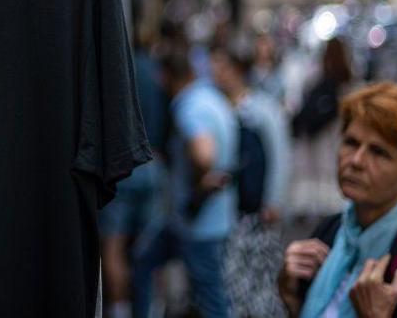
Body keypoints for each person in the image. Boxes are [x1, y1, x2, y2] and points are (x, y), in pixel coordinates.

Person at [278, 83, 397, 318]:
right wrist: (293, 300)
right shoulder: (335, 232)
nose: (356, 161)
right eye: (351, 143)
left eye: (379, 152)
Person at [131, 44, 237, 318]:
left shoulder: (189, 107)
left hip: (198, 223)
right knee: (145, 261)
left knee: (212, 300)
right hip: (199, 220)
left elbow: (204, 155)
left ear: (166, 76)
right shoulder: (211, 97)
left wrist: (199, 186)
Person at [210, 46, 290, 318]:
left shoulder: (262, 108)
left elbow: (279, 153)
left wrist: (274, 199)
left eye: (223, 68)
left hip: (255, 208)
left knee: (260, 273)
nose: (217, 74)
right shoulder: (215, 105)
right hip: (226, 210)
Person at [99, 35, 168, 318]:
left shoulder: (113, 68)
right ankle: (150, 309)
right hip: (153, 163)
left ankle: (120, 311)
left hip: (122, 164)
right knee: (148, 249)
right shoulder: (154, 70)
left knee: (113, 246)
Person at [289, 37, 353, 220]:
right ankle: (329, 210)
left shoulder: (315, 76)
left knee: (313, 171)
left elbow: (302, 99)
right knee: (329, 171)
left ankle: (310, 207)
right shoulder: (347, 78)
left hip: (314, 138)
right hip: (332, 138)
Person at [250, 33, 286, 106]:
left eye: (265, 44)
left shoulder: (278, 73)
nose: (263, 48)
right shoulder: (249, 73)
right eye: (261, 44)